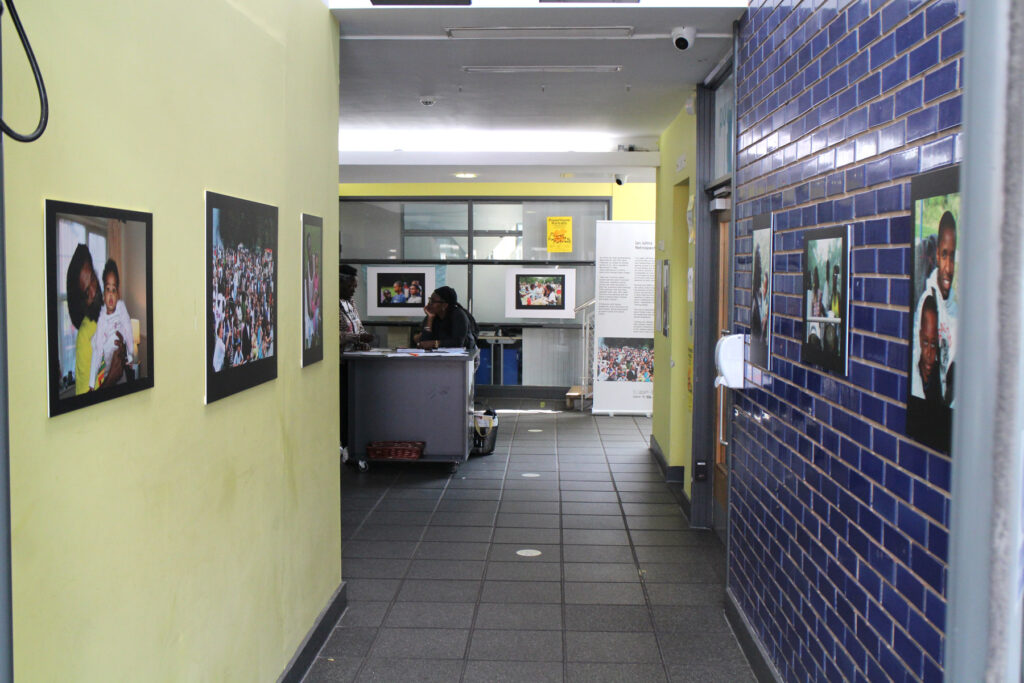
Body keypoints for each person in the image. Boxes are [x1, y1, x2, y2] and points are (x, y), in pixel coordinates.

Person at [65, 244, 127, 395]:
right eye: (87, 291)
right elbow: (84, 402)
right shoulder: (84, 337)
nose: (94, 292)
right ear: (81, 299)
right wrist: (111, 378)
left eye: (92, 277)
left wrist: (122, 351)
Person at [912, 210, 957, 405]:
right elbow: (915, 364)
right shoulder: (926, 303)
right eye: (944, 255)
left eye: (952, 257)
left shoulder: (956, 312)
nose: (948, 267)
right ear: (937, 255)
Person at [89, 259, 135, 389]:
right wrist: (92, 383)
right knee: (96, 345)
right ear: (103, 294)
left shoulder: (121, 309)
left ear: (118, 294)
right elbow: (98, 351)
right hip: (107, 368)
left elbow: (128, 330)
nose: (110, 294)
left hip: (119, 363)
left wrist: (130, 355)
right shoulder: (102, 318)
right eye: (108, 289)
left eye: (114, 290)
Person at [340, 265, 373, 351]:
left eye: (355, 286)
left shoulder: (350, 302)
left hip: (354, 354)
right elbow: (330, 335)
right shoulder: (330, 305)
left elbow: (359, 327)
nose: (353, 290)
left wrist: (363, 342)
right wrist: (358, 337)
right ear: (339, 284)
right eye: (349, 286)